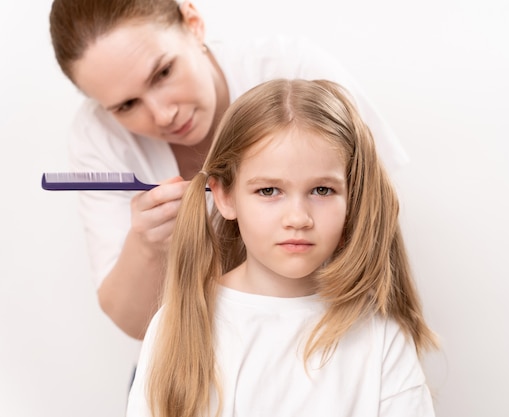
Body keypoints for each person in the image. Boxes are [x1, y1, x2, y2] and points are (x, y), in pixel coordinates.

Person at [49, 0, 410, 340]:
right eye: (126, 105)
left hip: (328, 337)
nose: (162, 114)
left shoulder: (294, 72)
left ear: (193, 23)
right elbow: (136, 324)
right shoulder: (98, 137)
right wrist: (147, 246)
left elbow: (377, 218)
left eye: (162, 73)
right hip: (188, 358)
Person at [125, 78, 437, 417]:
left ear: (353, 197)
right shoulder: (178, 324)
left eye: (321, 191)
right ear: (225, 196)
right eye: (269, 191)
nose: (298, 218)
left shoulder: (381, 340)